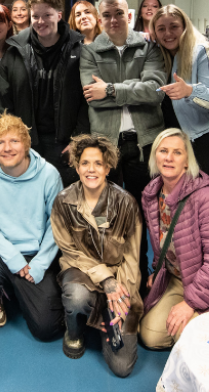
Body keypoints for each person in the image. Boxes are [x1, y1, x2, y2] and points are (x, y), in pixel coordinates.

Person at [139, 129, 209, 349]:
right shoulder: (152, 195)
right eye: (163, 151)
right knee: (150, 335)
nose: (169, 157)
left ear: (187, 161)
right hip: (179, 279)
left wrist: (190, 304)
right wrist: (158, 270)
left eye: (177, 152)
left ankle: (204, 335)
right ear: (155, 156)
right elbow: (163, 242)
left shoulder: (207, 199)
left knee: (186, 337)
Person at [0, 113, 64, 340]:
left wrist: (40, 263)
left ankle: (12, 289)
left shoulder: (49, 175)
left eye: (14, 141)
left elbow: (57, 223)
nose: (7, 148)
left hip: (35, 255)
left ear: (26, 144)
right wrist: (12, 257)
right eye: (0, 142)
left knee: (47, 329)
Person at [51, 134, 142, 377]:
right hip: (80, 272)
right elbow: (70, 252)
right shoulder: (63, 202)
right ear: (76, 166)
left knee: (122, 368)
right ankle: (74, 330)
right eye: (85, 163)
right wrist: (106, 280)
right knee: (77, 297)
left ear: (108, 167)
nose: (91, 169)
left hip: (119, 278)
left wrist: (124, 296)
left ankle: (105, 314)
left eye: (98, 163)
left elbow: (133, 258)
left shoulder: (126, 203)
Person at [0, 0, 85, 186]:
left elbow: (88, 101)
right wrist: (12, 141)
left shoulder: (79, 50)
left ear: (59, 16)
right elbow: (1, 100)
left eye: (47, 15)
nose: (41, 21)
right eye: (35, 16)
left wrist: (78, 140)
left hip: (65, 145)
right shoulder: (16, 51)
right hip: (26, 144)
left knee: (62, 204)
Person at [80, 0, 165, 200]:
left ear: (128, 15)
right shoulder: (90, 52)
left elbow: (155, 91)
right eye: (107, 15)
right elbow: (94, 97)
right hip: (106, 141)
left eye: (119, 13)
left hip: (144, 141)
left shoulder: (149, 47)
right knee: (108, 209)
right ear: (100, 20)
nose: (113, 20)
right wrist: (136, 90)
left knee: (145, 206)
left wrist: (110, 90)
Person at [150, 4, 209, 186]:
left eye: (174, 26)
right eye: (161, 29)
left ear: (185, 26)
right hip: (176, 141)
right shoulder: (166, 54)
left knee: (202, 202)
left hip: (202, 143)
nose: (168, 33)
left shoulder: (203, 50)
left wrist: (190, 91)